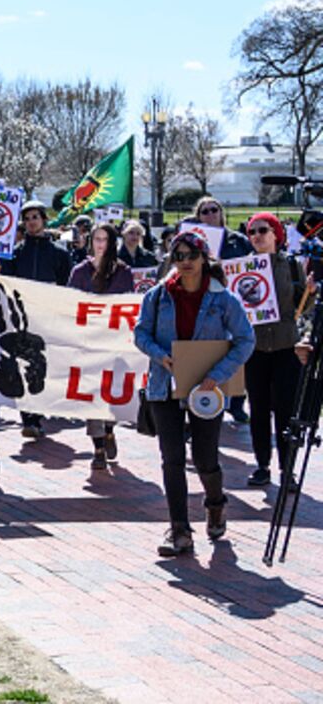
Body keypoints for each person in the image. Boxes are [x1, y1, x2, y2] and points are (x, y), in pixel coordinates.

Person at [134, 232, 254, 556]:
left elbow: (246, 340)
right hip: (165, 386)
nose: (185, 262)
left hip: (207, 390)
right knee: (171, 459)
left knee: (204, 459)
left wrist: (217, 376)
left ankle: (215, 503)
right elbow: (140, 333)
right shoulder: (158, 296)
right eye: (178, 256)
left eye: (191, 255)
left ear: (203, 258)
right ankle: (179, 530)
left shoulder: (223, 299)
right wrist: (160, 355)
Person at [242, 212, 311, 487]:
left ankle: (288, 469)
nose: (257, 236)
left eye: (263, 230)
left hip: (285, 346)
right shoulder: (242, 268)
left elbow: (300, 307)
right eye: (252, 232)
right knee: (258, 409)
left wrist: (311, 292)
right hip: (256, 347)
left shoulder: (292, 266)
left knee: (285, 410)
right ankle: (262, 465)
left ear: (276, 235)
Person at [0, 199, 71, 438]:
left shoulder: (60, 254)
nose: (31, 222)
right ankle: (28, 419)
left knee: (44, 367)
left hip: (49, 319)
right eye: (27, 219)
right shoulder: (15, 254)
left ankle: (39, 415)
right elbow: (6, 285)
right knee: (22, 365)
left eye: (35, 217)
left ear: (44, 220)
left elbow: (66, 288)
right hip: (21, 319)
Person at [67, 224, 134, 469]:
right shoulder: (80, 271)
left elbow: (130, 305)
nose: (100, 244)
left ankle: (109, 430)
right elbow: (69, 303)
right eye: (96, 239)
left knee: (112, 393)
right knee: (92, 394)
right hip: (89, 343)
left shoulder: (123, 272)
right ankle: (97, 448)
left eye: (105, 239)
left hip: (115, 343)